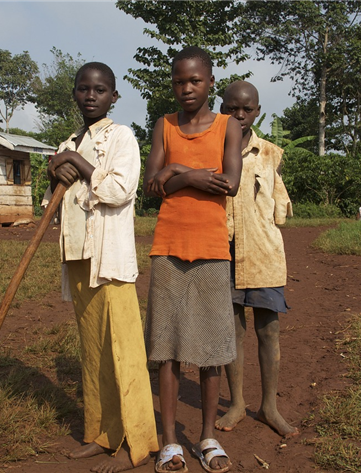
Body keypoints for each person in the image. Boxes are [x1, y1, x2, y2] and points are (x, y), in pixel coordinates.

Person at [42, 61, 159, 473]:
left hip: (109, 260)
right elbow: (57, 200)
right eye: (83, 88)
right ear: (74, 93)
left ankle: (138, 444)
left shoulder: (121, 137)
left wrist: (78, 162)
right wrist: (54, 167)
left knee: (124, 352)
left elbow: (118, 189)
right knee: (93, 355)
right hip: (77, 258)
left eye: (100, 89)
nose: (90, 95)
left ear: (113, 96)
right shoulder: (68, 140)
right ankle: (101, 433)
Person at [143, 46, 242, 473]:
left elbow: (230, 183)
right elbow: (150, 187)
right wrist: (189, 172)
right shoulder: (163, 126)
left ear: (210, 83)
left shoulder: (228, 127)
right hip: (167, 246)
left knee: (211, 350)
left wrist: (176, 175)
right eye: (179, 81)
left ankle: (207, 437)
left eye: (195, 81)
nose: (186, 89)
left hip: (212, 250)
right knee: (166, 349)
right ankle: (169, 442)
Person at [214, 81, 298, 438]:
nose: (239, 115)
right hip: (224, 251)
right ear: (222, 108)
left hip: (264, 254)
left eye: (247, 109)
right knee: (232, 330)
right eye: (232, 108)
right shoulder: (211, 150)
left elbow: (279, 209)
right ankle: (235, 403)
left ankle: (269, 406)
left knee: (269, 329)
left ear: (257, 111)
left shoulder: (269, 154)